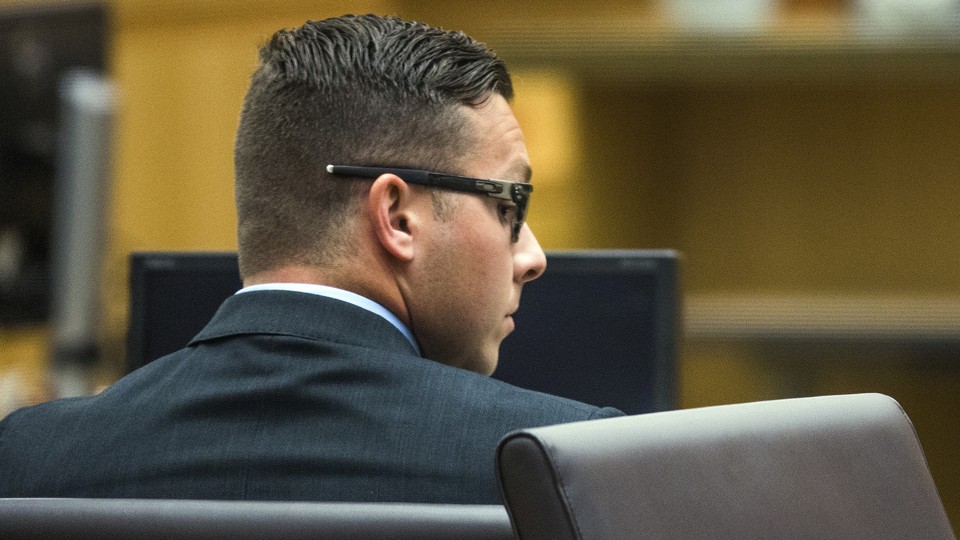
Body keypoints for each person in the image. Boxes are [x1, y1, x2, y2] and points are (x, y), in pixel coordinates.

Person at [0, 14, 622, 504]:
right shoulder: (563, 463)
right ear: (398, 218)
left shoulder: (30, 458)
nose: (533, 256)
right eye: (511, 205)